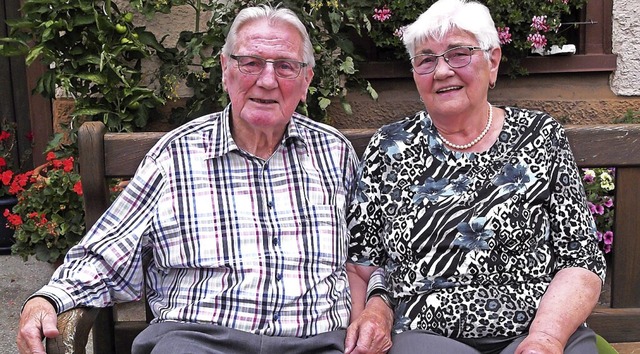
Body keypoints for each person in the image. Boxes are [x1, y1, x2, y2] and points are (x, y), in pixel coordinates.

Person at [16, 4, 387, 354]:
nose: (267, 80)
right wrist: (47, 299)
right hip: (199, 339)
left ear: (306, 80)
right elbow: (106, 255)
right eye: (250, 63)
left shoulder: (333, 153)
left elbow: (367, 257)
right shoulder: (175, 157)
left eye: (286, 66)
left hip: (319, 341)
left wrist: (374, 305)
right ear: (226, 69)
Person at [346, 0, 607, 353]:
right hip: (424, 337)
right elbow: (363, 262)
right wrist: (374, 312)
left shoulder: (540, 136)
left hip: (539, 327)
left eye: (458, 54)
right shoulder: (390, 145)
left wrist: (546, 338)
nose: (441, 72)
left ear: (492, 61)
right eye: (425, 59)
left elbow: (581, 260)